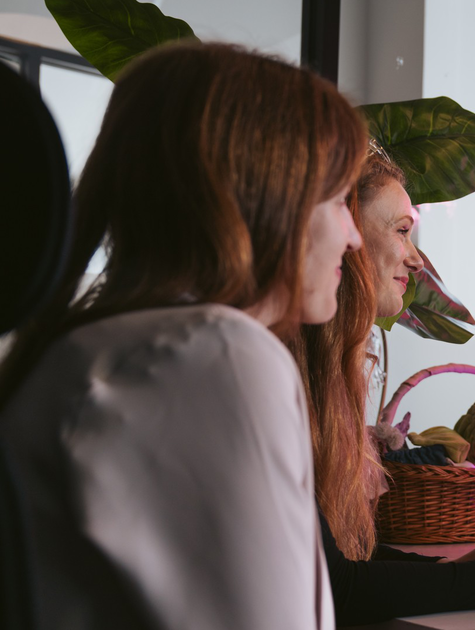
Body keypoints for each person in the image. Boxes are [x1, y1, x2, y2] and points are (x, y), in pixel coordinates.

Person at [0, 43, 366, 630]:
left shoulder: (91, 350)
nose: (353, 236)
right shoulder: (213, 354)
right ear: (266, 196)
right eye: (336, 199)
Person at [289, 150, 475, 626]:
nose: (415, 259)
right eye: (402, 231)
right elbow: (336, 588)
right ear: (342, 231)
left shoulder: (322, 379)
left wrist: (470, 567)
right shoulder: (283, 377)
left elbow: (348, 567)